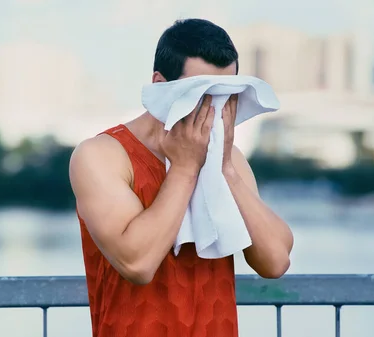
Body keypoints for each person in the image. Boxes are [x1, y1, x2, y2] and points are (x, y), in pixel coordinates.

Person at [69, 18, 294, 337]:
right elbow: (138, 264)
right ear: (160, 85)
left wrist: (225, 169)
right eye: (200, 93)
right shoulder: (102, 155)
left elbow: (275, 261)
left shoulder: (229, 159)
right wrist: (187, 168)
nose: (211, 107)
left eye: (224, 94)